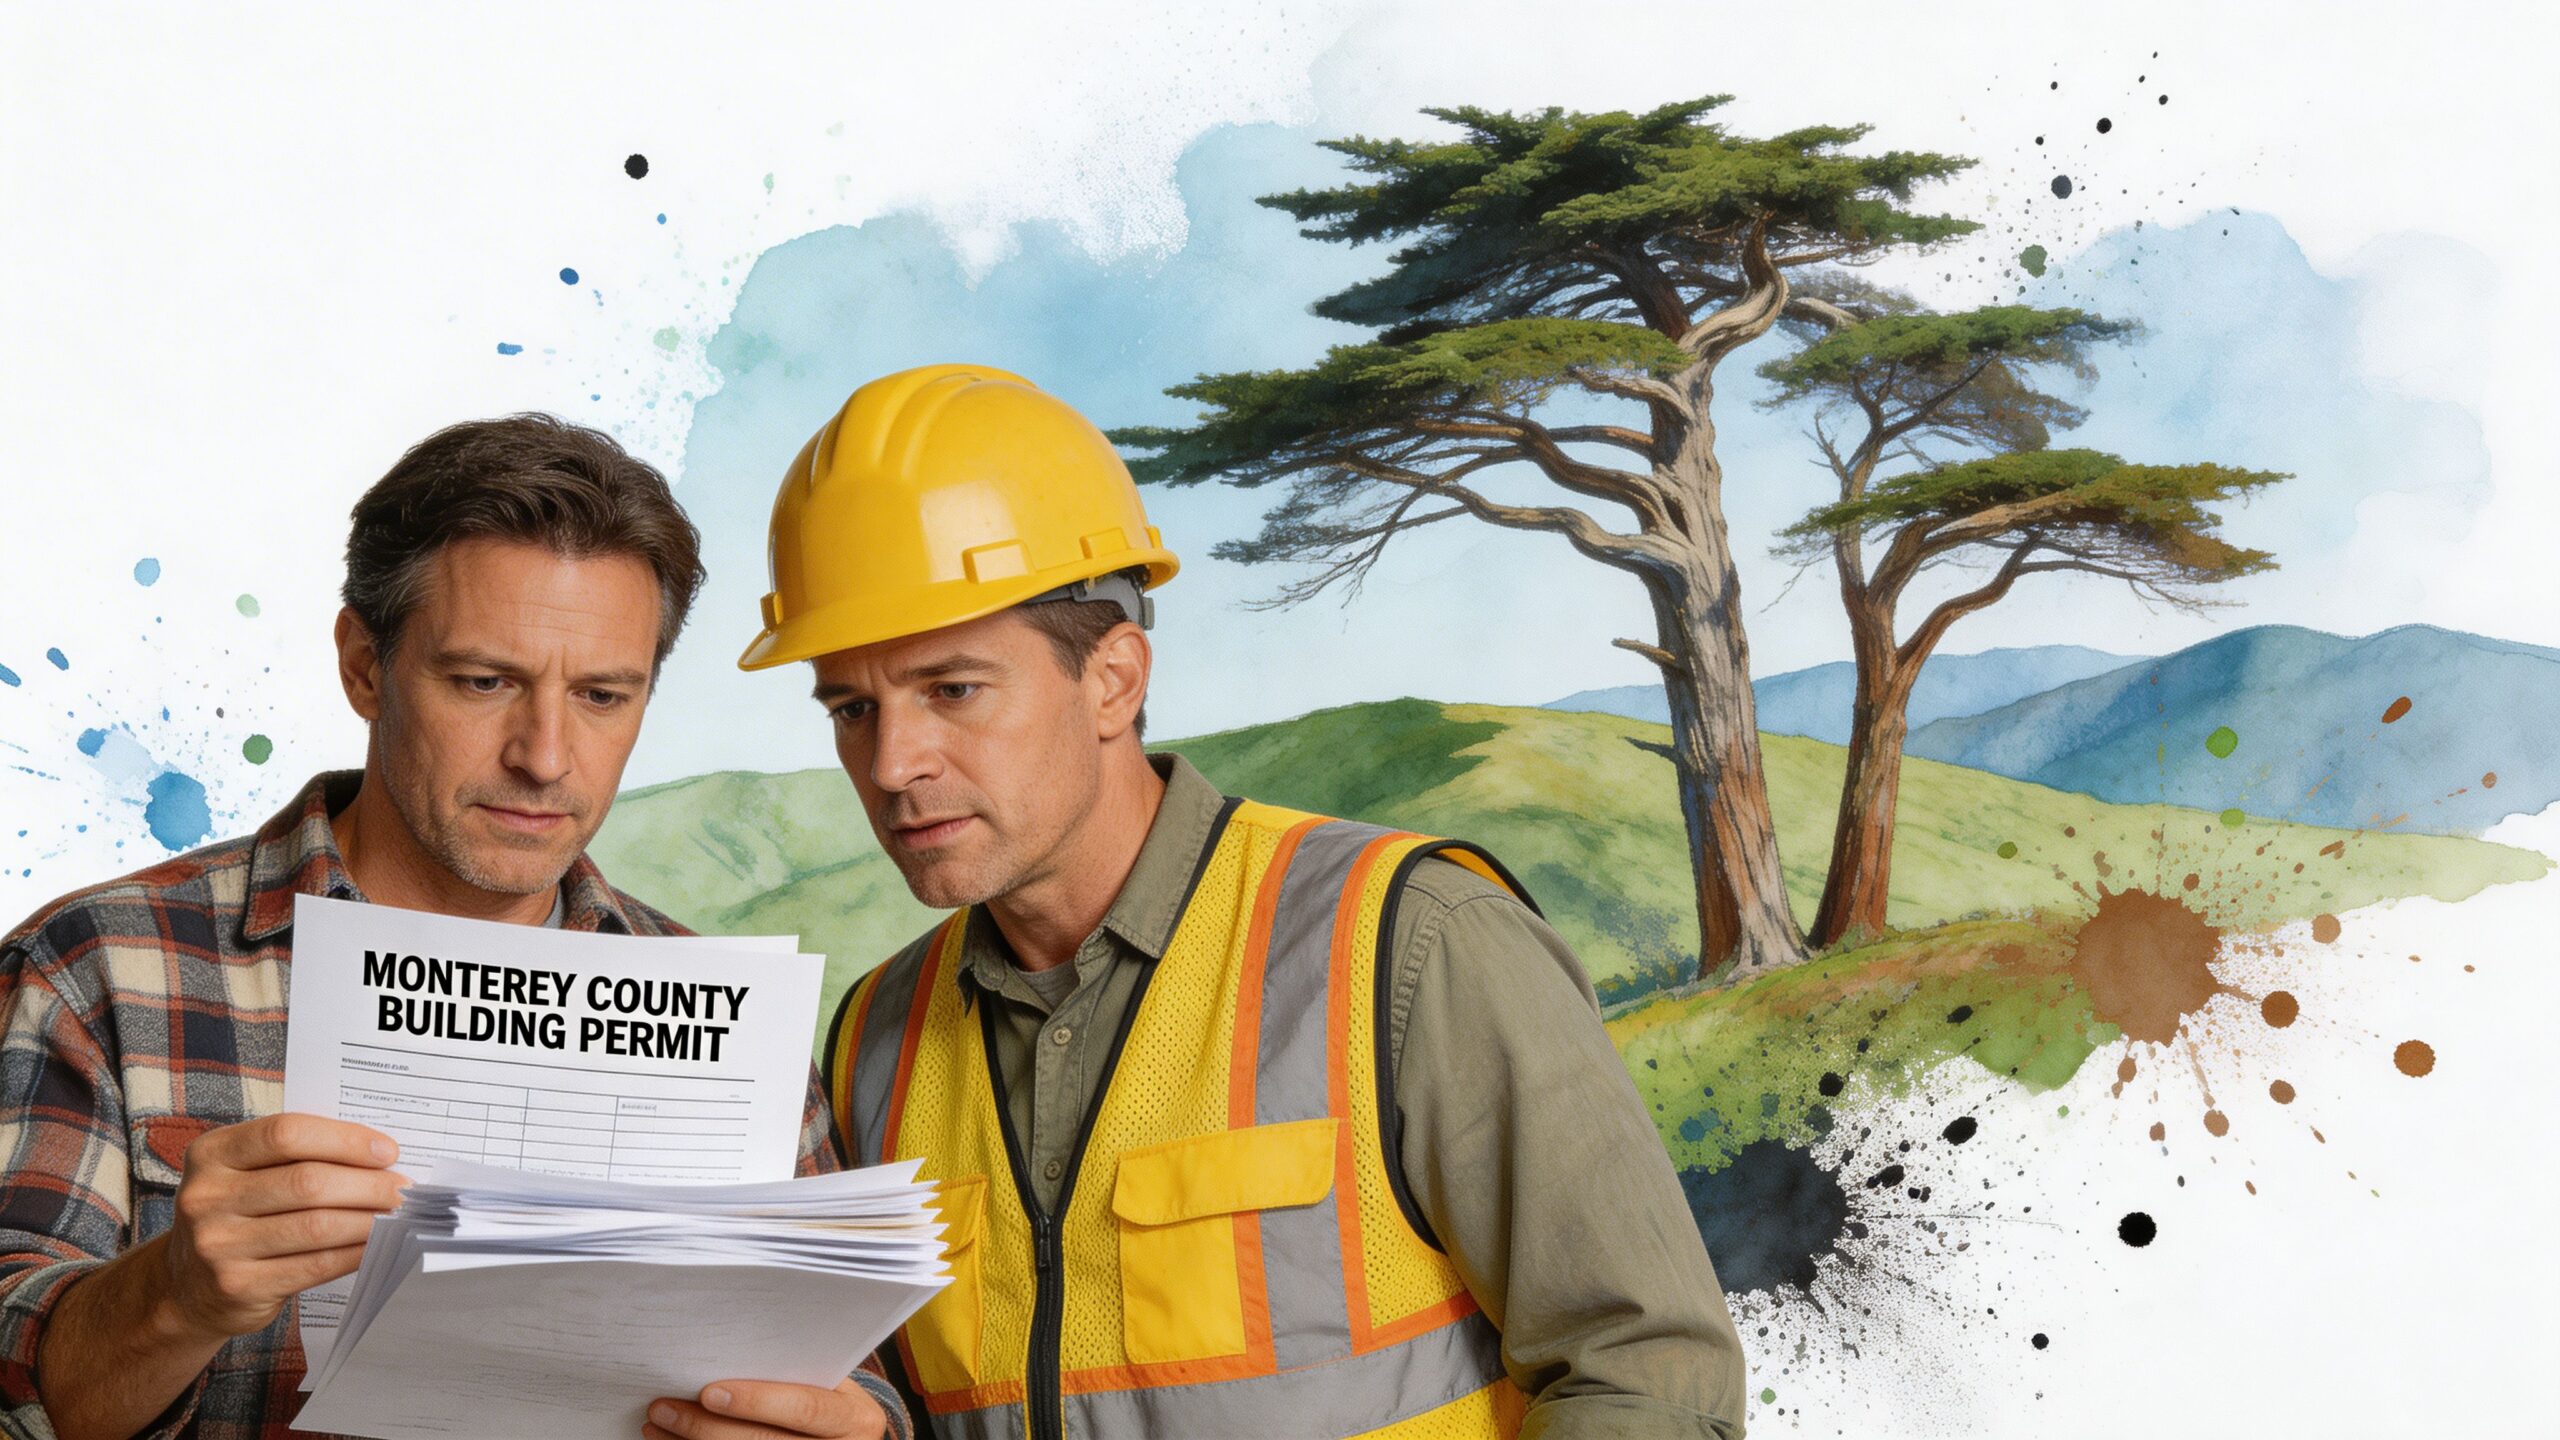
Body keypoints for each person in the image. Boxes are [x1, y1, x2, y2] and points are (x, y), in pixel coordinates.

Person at [734, 364, 1749, 1440]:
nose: (893, 762)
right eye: (851, 708)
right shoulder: (871, 1044)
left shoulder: (1410, 944)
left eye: (952, 689)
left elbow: (1648, 1378)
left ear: (1113, 679)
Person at [0, 417, 904, 1440]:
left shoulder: (730, 1015)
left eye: (603, 696)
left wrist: (842, 1428)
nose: (546, 757)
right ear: (364, 666)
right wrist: (173, 1297)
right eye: (485, 682)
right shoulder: (101, 968)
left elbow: (854, 1383)